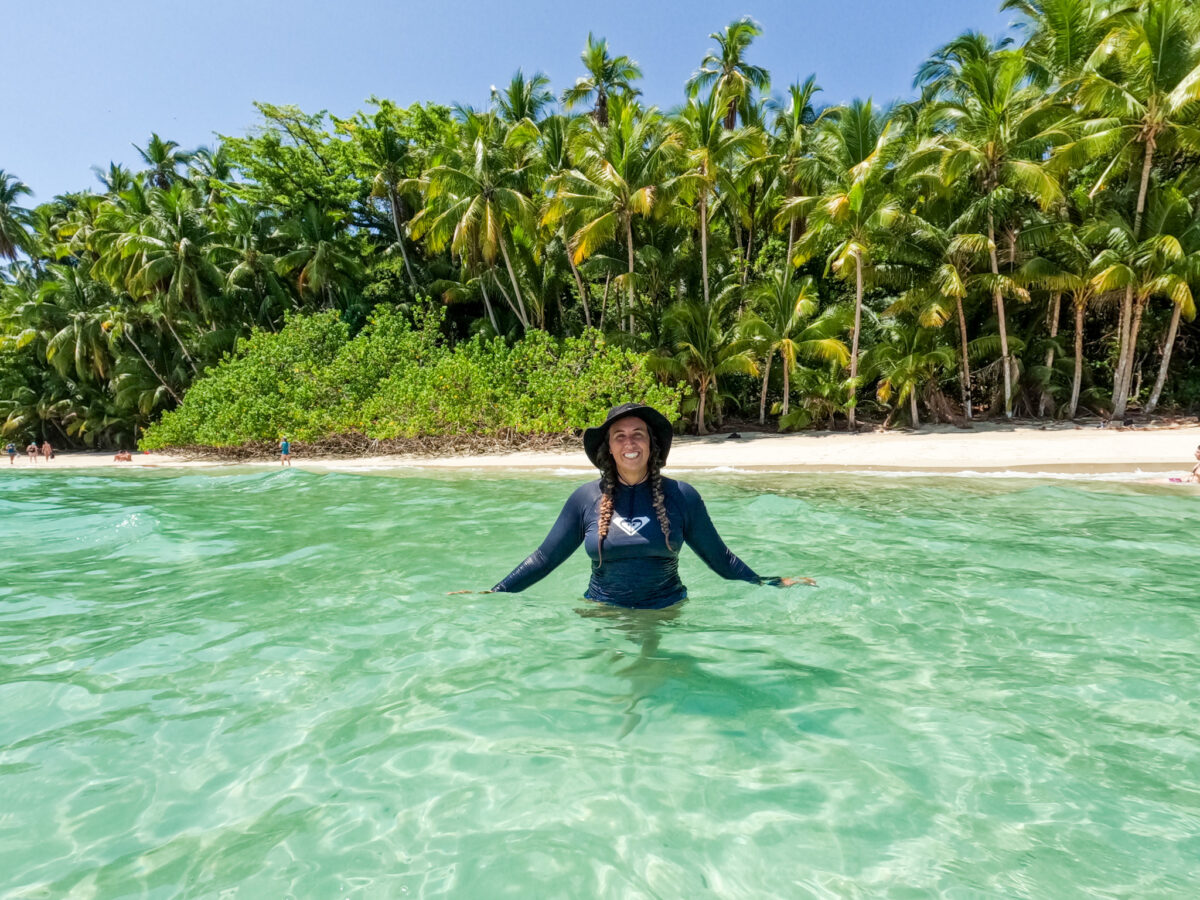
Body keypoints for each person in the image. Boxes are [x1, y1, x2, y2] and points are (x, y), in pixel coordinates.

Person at [460, 402, 815, 609]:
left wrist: (772, 582)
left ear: (651, 445)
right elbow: (544, 559)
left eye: (638, 434)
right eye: (620, 436)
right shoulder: (585, 498)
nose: (629, 443)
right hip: (603, 614)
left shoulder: (682, 496)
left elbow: (721, 560)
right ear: (609, 449)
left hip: (667, 613)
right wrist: (493, 594)